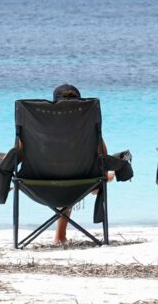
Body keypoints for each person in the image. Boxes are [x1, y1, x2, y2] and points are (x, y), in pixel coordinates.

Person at [19, 84, 114, 244]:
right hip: (82, 184)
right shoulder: (87, 128)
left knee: (61, 172)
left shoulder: (38, 129)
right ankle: (60, 236)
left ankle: (60, 236)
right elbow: (103, 156)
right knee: (98, 174)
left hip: (37, 184)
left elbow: (19, 153)